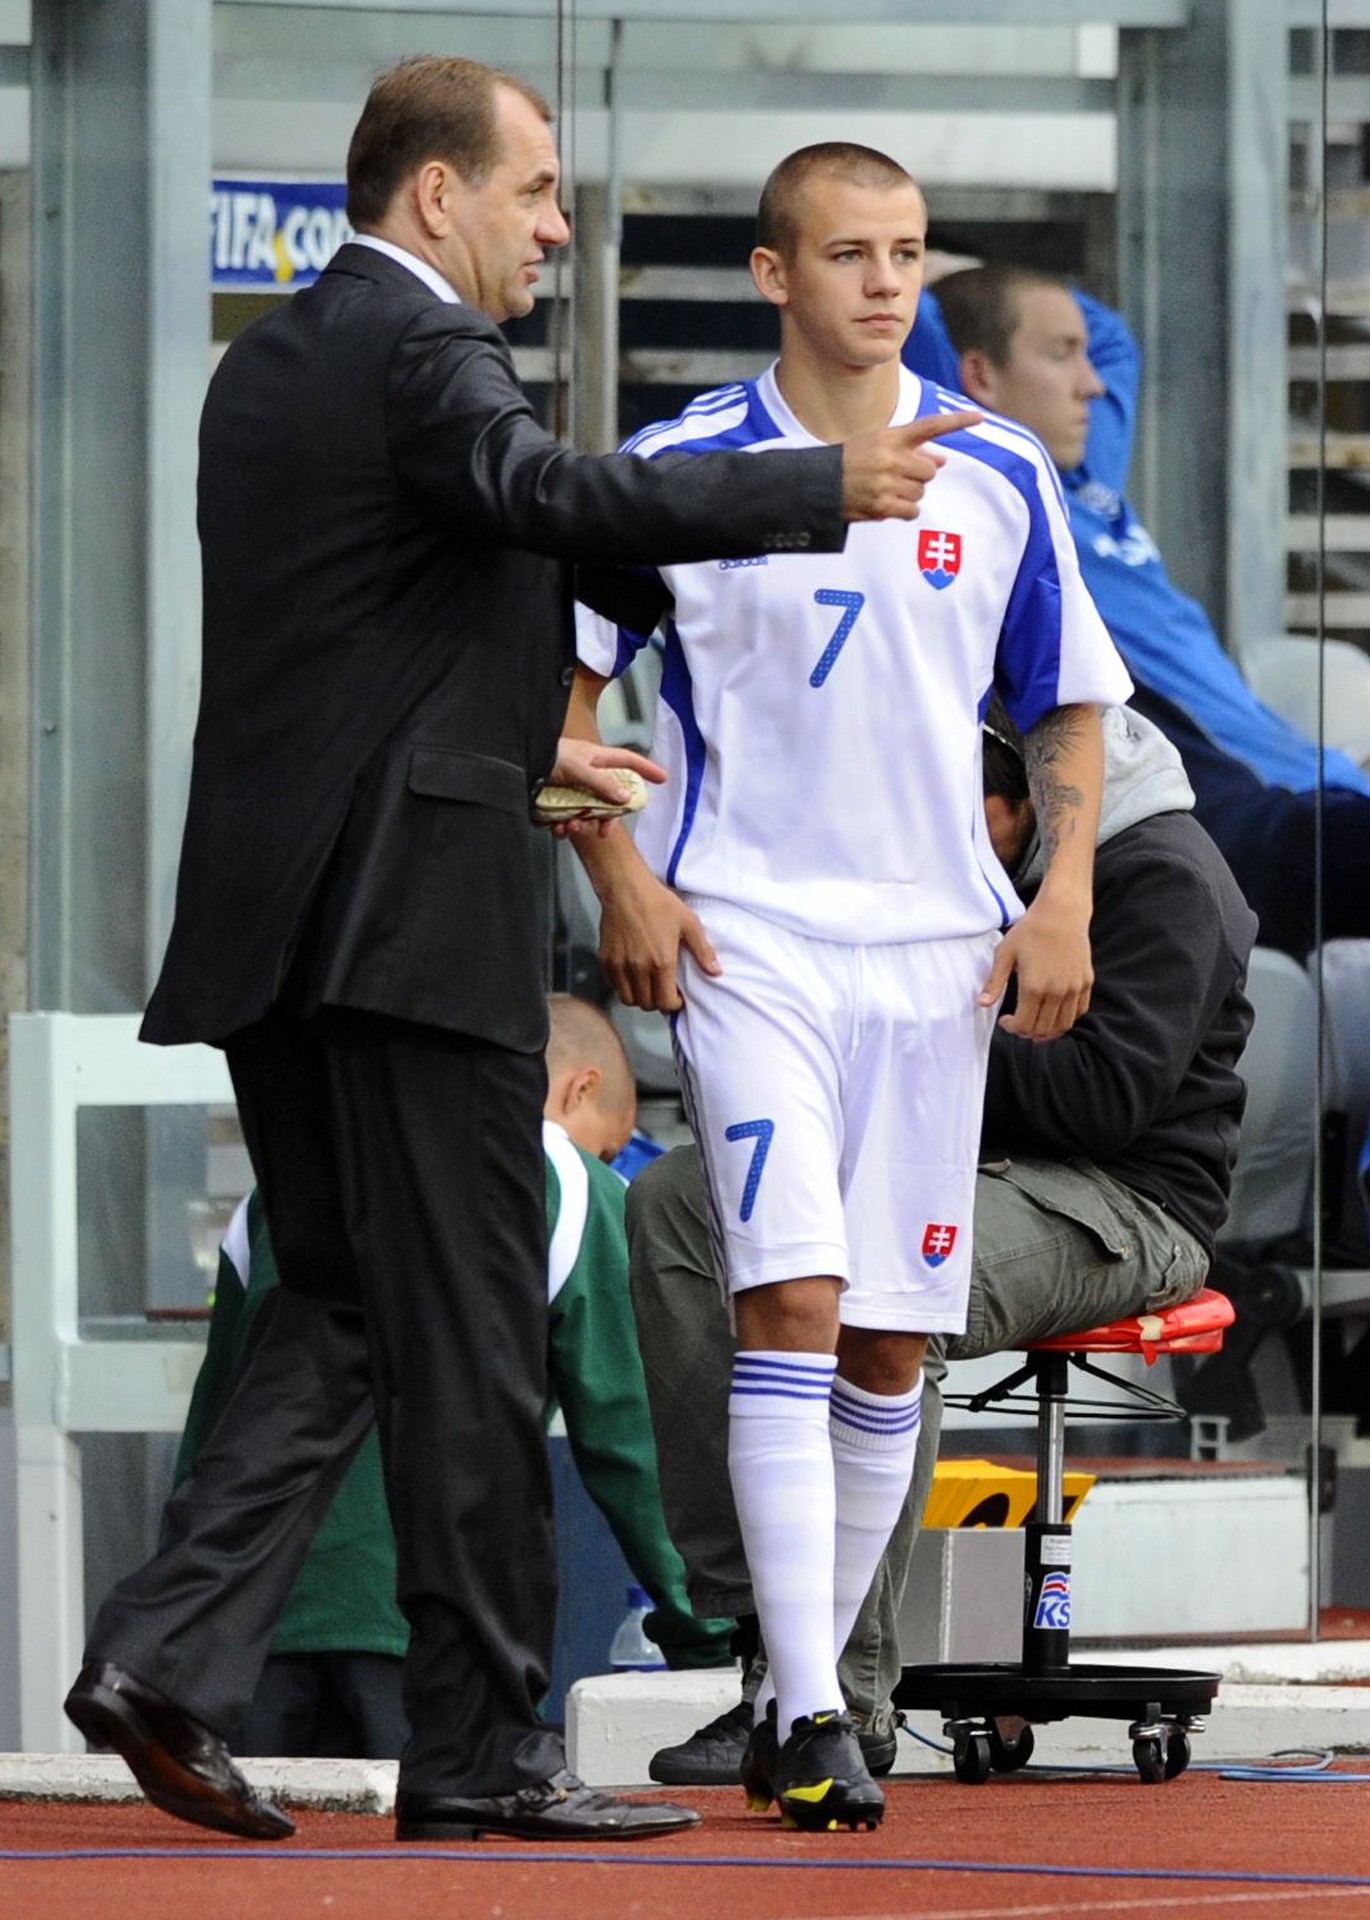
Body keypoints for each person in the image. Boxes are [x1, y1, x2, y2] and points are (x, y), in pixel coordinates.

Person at [64, 58, 967, 1849]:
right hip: (411, 922)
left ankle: (163, 1654)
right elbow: (543, 496)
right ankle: (478, 1757)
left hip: (288, 909)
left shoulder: (269, 366)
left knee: (335, 1299)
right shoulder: (426, 354)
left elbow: (349, 623)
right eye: (538, 191)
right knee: (479, 1341)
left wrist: (519, 743)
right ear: (434, 199)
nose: (557, 228)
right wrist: (812, 486)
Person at [570, 143, 1132, 1831]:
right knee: (792, 1301)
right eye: (846, 253)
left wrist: (1065, 897)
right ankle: (804, 1698)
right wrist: (626, 882)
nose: (884, 282)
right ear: (772, 275)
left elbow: (1072, 702)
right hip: (752, 942)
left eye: (905, 254)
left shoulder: (1000, 472)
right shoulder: (677, 467)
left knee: (892, 1344)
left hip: (940, 957)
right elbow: (559, 703)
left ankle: (825, 1701)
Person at [631, 702, 1258, 1786]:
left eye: (960, 813)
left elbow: (1104, 1099)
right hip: (948, 1155)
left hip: (1122, 1202)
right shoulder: (945, 870)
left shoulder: (1166, 875)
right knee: (680, 1201)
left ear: (1033, 803)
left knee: (880, 1293)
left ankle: (837, 1692)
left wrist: (899, 1044)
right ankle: (762, 1632)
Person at [175, 995, 732, 1762]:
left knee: (253, 1876)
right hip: (436, 1627)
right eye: (610, 1150)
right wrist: (711, 1637)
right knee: (442, 1867)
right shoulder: (563, 1179)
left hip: (255, 1632)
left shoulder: (283, 1190)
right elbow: (635, 1442)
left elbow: (215, 1428)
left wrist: (187, 1629)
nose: (608, 1166)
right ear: (578, 1090)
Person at [903, 265, 1370, 965]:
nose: (1092, 383)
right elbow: (912, 328)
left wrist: (971, 273)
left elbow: (1115, 341)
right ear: (978, 378)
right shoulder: (992, 496)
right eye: (1060, 354)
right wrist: (921, 267)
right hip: (1232, 813)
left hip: (1320, 779)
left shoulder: (1087, 477)